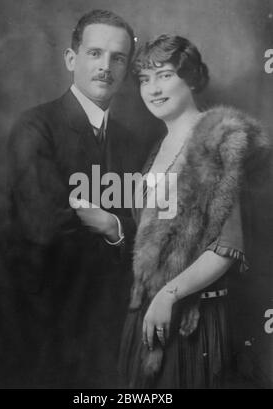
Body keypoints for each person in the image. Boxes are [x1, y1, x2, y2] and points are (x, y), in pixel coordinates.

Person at [118, 34, 271, 388]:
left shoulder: (217, 141)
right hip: (146, 317)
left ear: (191, 78)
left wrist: (167, 296)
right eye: (144, 79)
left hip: (193, 322)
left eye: (165, 75)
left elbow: (226, 249)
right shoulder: (158, 149)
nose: (153, 89)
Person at [3, 9, 141, 388]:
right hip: (50, 321)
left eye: (118, 58)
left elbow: (148, 225)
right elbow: (44, 224)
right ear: (71, 59)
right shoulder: (36, 126)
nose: (105, 67)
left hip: (114, 325)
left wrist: (110, 223)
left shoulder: (133, 140)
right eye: (95, 53)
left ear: (127, 68)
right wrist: (120, 229)